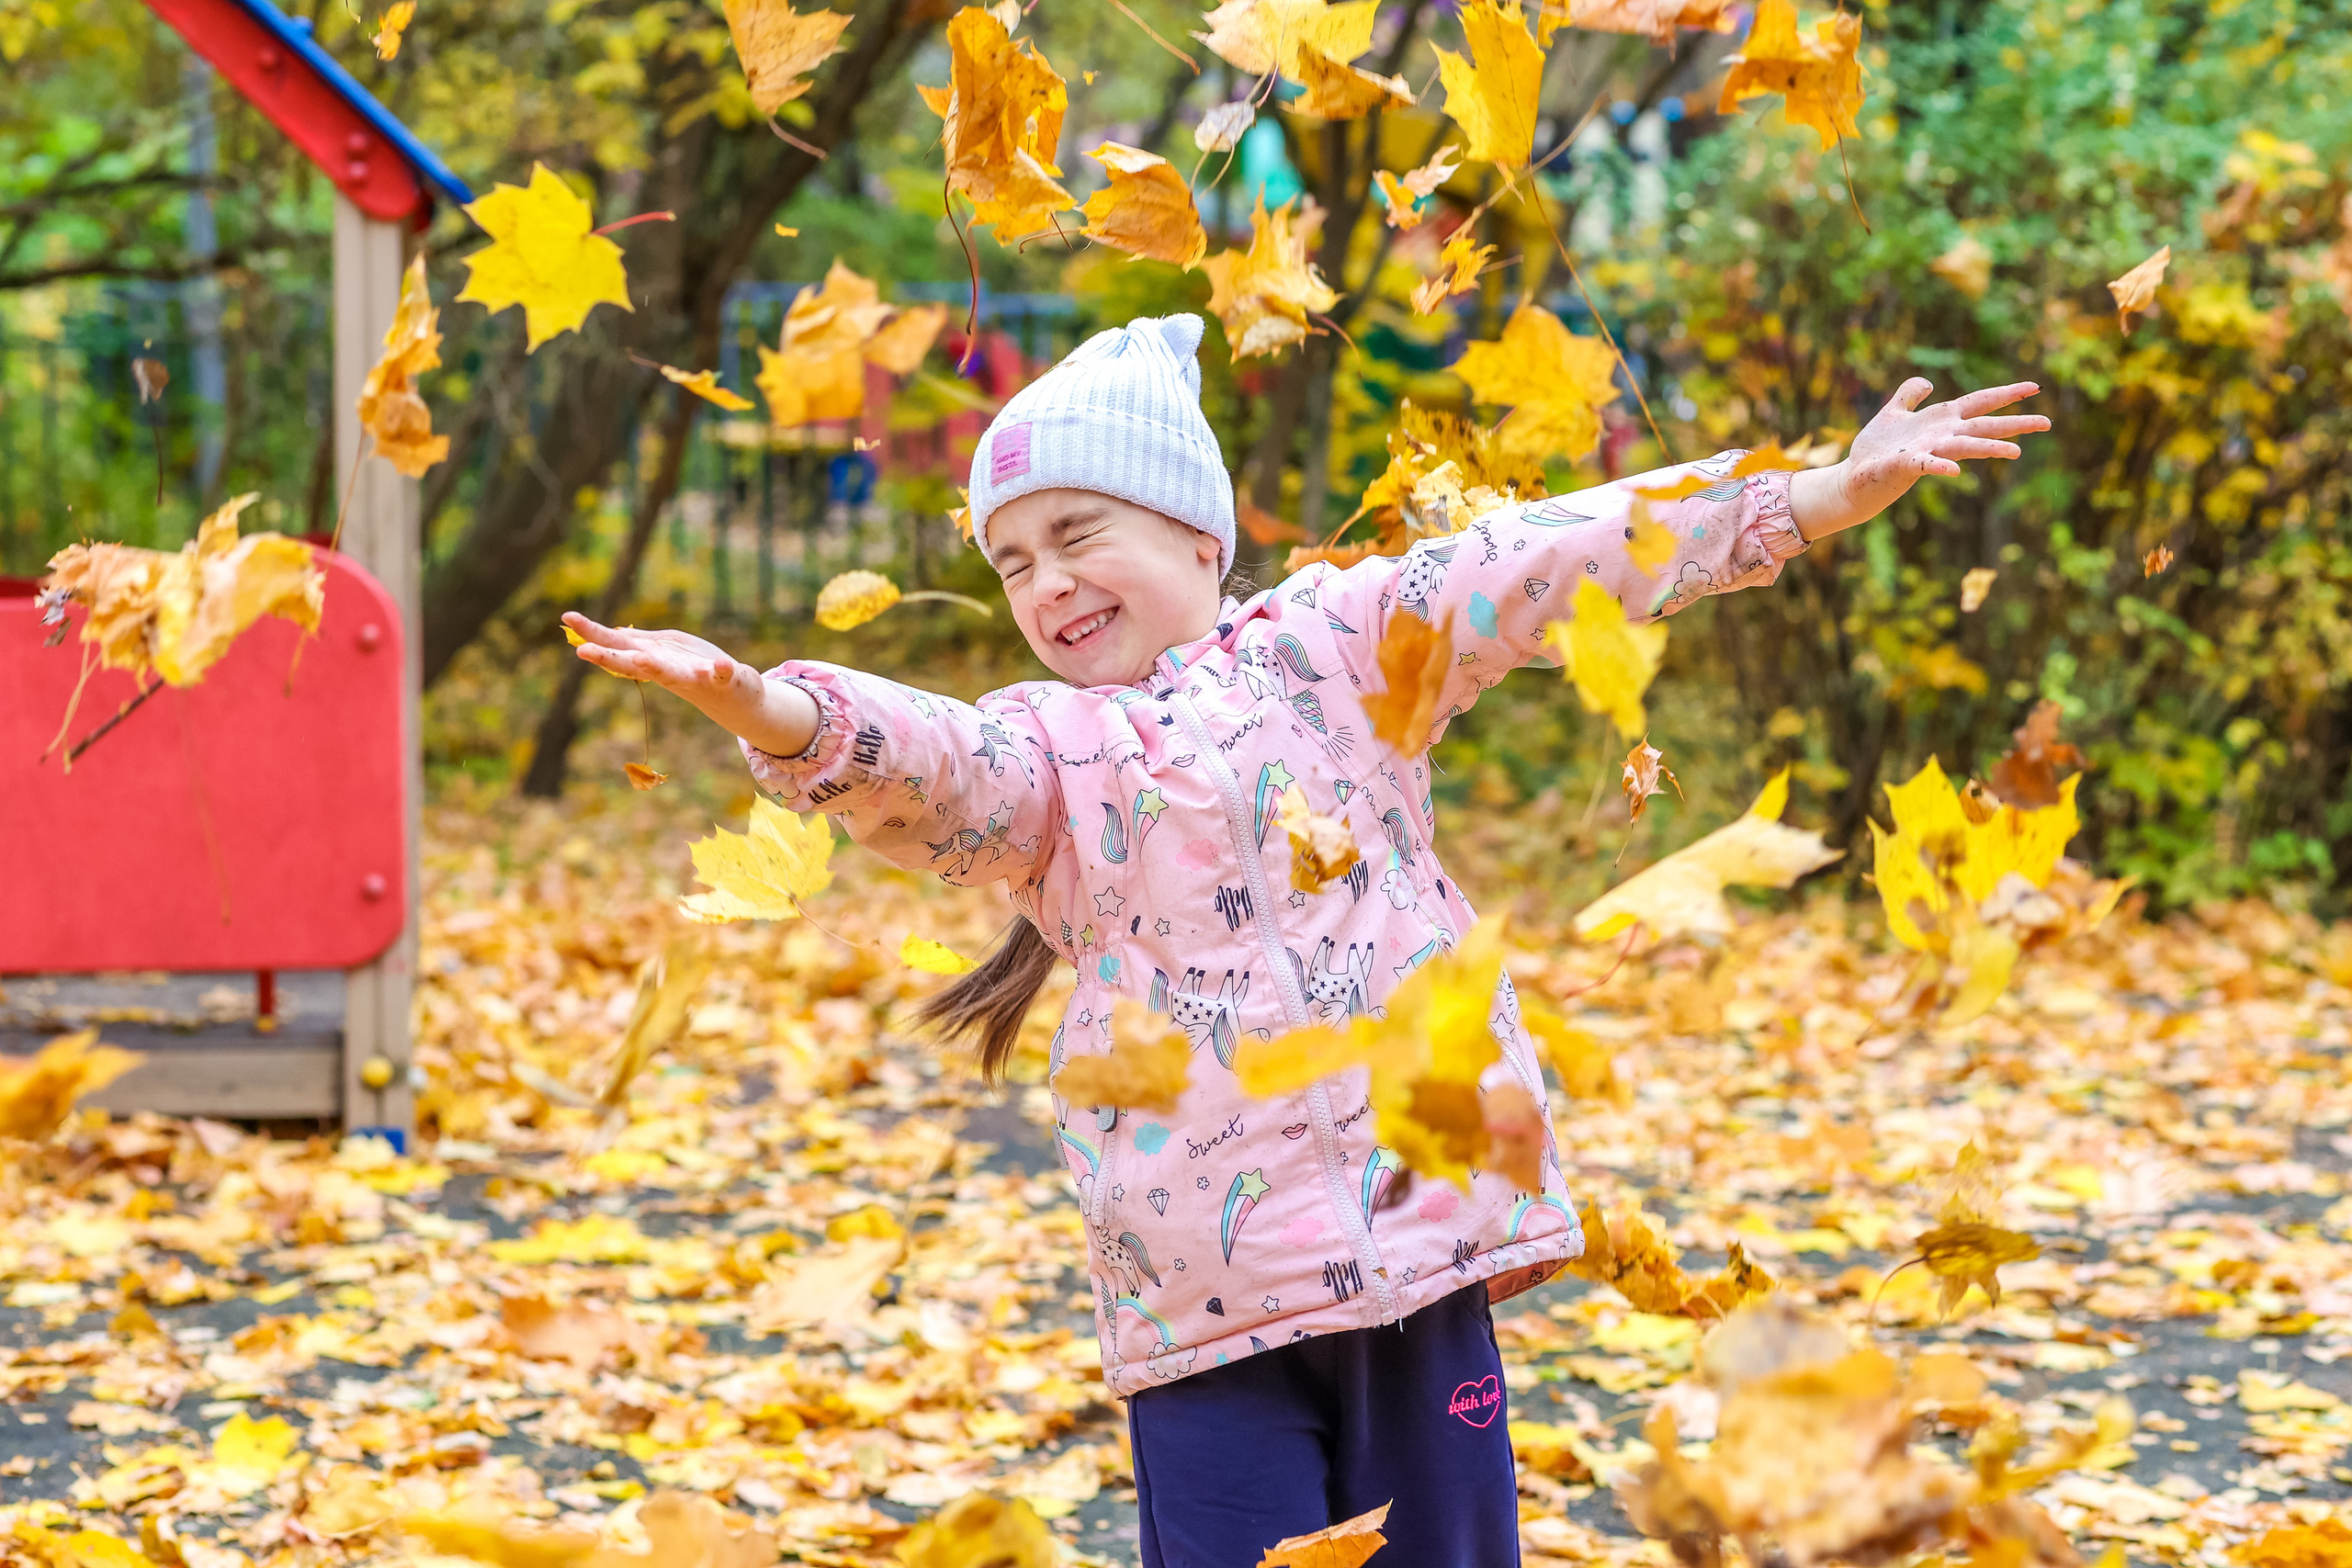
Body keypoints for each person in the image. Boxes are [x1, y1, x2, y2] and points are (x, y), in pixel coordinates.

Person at [565, 313, 2048, 1565]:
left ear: (1197, 535)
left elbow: (1542, 559)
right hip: (1204, 1310)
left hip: (1421, 1238)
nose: (1046, 582)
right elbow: (932, 761)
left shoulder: (1336, 650)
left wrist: (1800, 500)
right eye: (1012, 561)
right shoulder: (1055, 762)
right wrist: (774, 710)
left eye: (1077, 532)